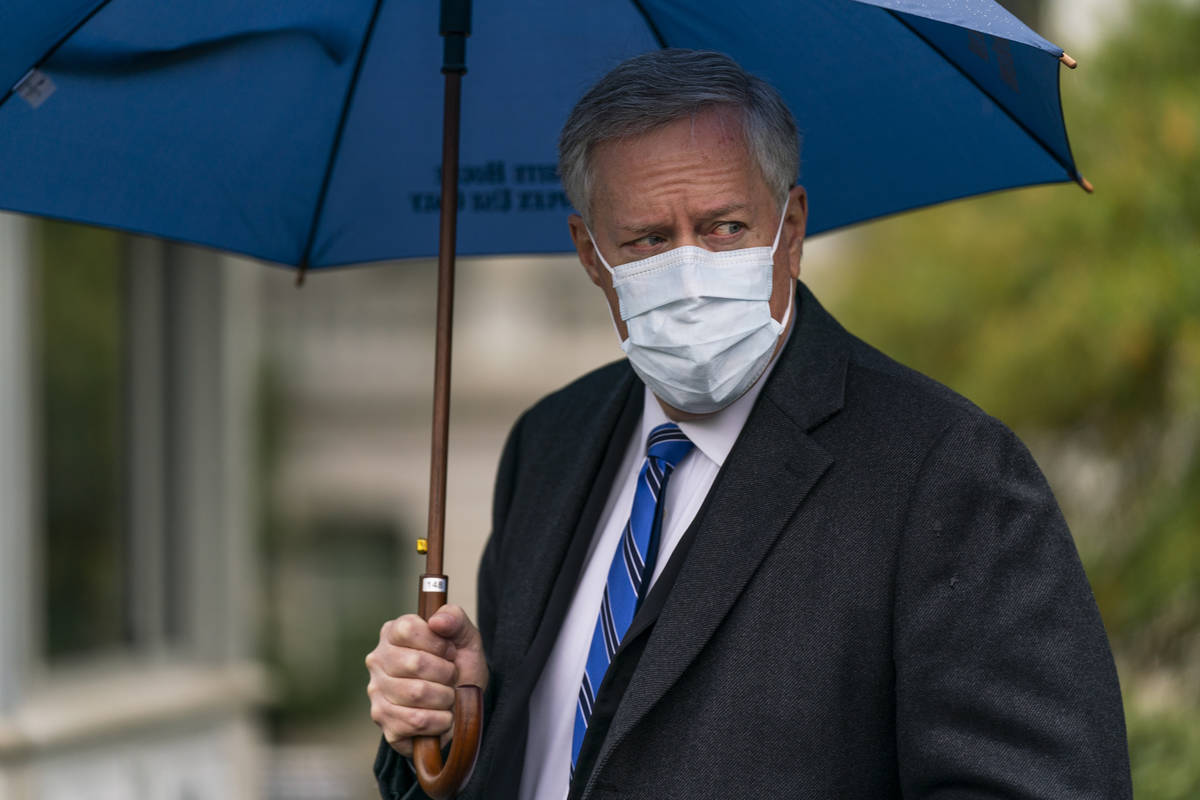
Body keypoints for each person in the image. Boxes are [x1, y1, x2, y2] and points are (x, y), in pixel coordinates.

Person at [366, 50, 1132, 800]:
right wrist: (453, 732)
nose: (690, 270)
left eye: (725, 228)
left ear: (789, 229)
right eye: (648, 240)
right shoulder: (548, 444)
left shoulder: (946, 471)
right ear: (591, 255)